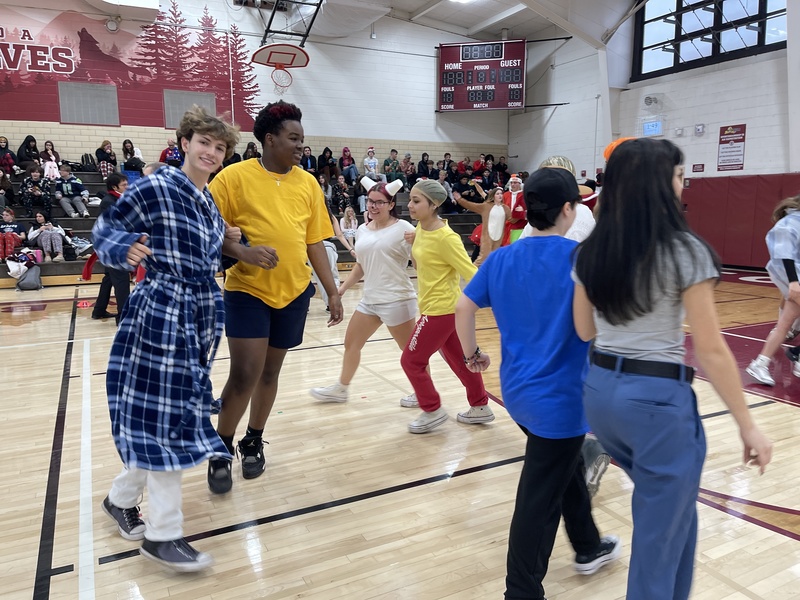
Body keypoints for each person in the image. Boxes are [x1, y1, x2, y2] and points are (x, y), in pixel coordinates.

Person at [573, 137, 773, 600]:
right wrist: (749, 426)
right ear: (660, 183)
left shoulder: (590, 249)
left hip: (601, 394)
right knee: (656, 543)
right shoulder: (684, 249)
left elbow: (584, 329)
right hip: (656, 403)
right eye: (681, 176)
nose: (685, 185)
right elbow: (712, 349)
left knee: (676, 514)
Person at [455, 166, 622, 600]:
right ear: (569, 210)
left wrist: (473, 355)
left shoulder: (503, 257)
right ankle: (522, 591)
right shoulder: (579, 261)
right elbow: (593, 332)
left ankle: (588, 546)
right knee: (537, 502)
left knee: (561, 471)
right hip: (562, 404)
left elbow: (463, 308)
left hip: (518, 395)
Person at [93, 105, 240, 572]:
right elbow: (105, 228)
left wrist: (232, 240)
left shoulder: (210, 203)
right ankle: (163, 534)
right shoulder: (156, 186)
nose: (211, 152)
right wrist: (123, 246)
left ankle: (121, 500)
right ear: (185, 142)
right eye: (204, 143)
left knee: (170, 414)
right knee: (167, 420)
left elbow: (211, 254)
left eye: (219, 148)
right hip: (160, 309)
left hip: (199, 313)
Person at [207, 100, 343, 494]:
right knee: (244, 373)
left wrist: (331, 291)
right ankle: (221, 448)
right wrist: (244, 253)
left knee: (270, 373)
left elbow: (314, 240)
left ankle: (253, 439)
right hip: (247, 290)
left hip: (294, 292)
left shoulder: (307, 182)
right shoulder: (233, 178)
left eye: (302, 139)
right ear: (269, 139)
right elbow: (208, 232)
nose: (301, 145)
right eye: (293, 138)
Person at [310, 178, 420, 406]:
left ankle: (423, 393)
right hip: (370, 299)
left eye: (380, 202)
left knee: (410, 352)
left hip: (397, 299)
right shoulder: (362, 229)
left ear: (391, 205)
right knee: (351, 343)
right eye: (370, 201)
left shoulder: (405, 229)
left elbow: (420, 263)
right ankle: (341, 389)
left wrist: (421, 243)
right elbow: (361, 265)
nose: (373, 206)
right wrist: (341, 289)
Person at [400, 180, 492, 433]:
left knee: (411, 361)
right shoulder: (422, 228)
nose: (410, 205)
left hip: (441, 311)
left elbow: (470, 273)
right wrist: (414, 237)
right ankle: (480, 406)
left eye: (417, 201)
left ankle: (432, 409)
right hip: (437, 308)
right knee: (462, 361)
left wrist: (495, 298)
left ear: (434, 204)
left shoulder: (447, 238)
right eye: (411, 199)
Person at [746, 195, 800, 385]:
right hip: (795, 279)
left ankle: (760, 364)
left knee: (784, 325)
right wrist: (793, 282)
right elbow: (785, 255)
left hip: (796, 279)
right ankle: (797, 356)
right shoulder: (790, 223)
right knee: (785, 324)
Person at [92, 172, 131, 322]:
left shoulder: (115, 199)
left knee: (109, 278)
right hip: (113, 247)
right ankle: (123, 316)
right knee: (121, 281)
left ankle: (99, 310)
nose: (127, 187)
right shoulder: (110, 201)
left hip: (110, 245)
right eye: (124, 185)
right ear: (115, 187)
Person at [454, 185, 510, 266]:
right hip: (487, 236)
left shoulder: (506, 208)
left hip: (499, 237)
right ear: (493, 195)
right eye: (497, 194)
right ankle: (471, 275)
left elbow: (512, 219)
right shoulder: (486, 206)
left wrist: (523, 213)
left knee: (495, 259)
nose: (500, 195)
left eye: (501, 193)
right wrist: (460, 200)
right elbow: (471, 205)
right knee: (483, 258)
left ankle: (490, 277)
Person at [503, 174, 526, 243]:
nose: (513, 185)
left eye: (515, 183)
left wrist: (517, 217)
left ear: (520, 184)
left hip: (520, 224)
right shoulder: (505, 195)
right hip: (507, 223)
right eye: (511, 183)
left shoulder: (524, 195)